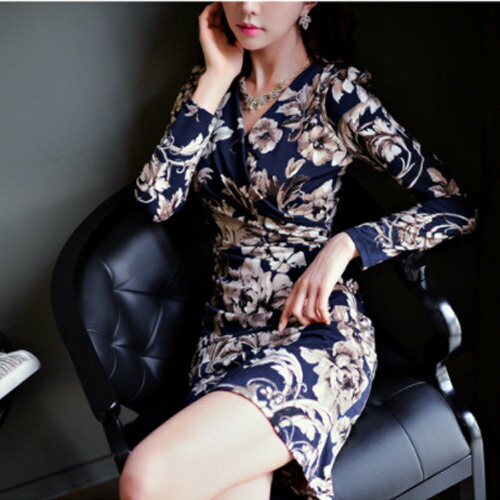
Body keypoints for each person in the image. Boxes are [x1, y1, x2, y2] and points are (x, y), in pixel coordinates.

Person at [120, 2, 479, 499]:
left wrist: (348, 244)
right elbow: (156, 200)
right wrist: (217, 75)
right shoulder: (207, 91)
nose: (249, 6)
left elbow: (456, 207)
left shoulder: (336, 93)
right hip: (225, 342)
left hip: (316, 335)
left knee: (146, 475)